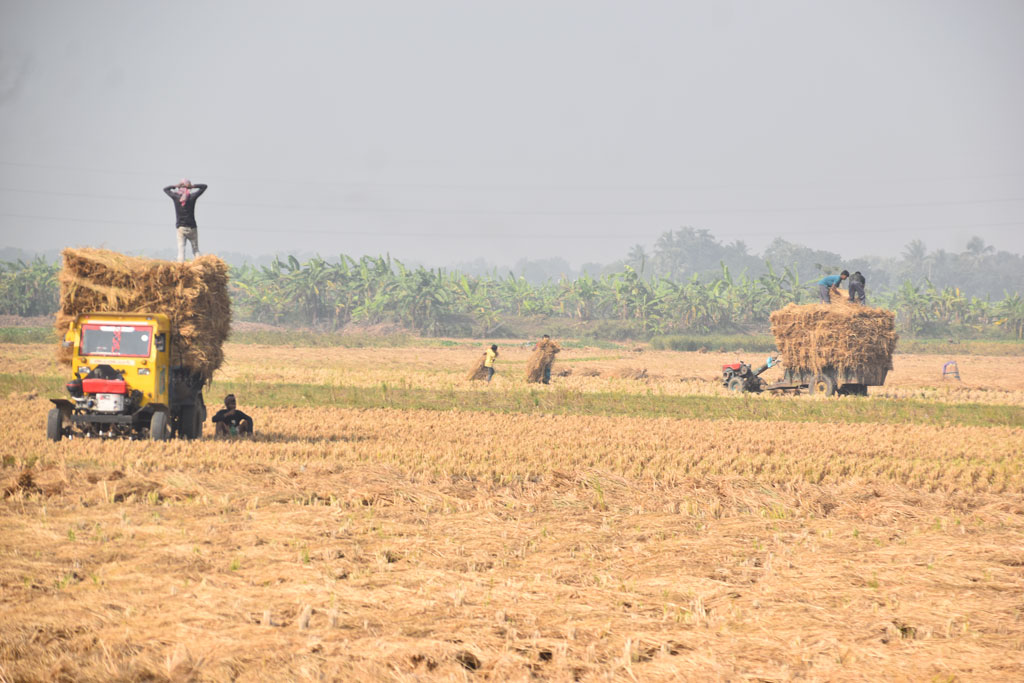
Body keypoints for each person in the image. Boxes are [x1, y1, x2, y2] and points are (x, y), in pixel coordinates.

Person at [163, 178, 208, 262]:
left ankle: (180, 267)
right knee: (195, 250)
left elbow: (165, 189)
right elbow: (204, 187)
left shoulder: (176, 197)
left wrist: (175, 186)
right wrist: (193, 186)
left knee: (181, 250)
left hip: (181, 228)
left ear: (180, 187)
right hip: (192, 228)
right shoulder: (192, 197)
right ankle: (200, 265)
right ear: (189, 187)